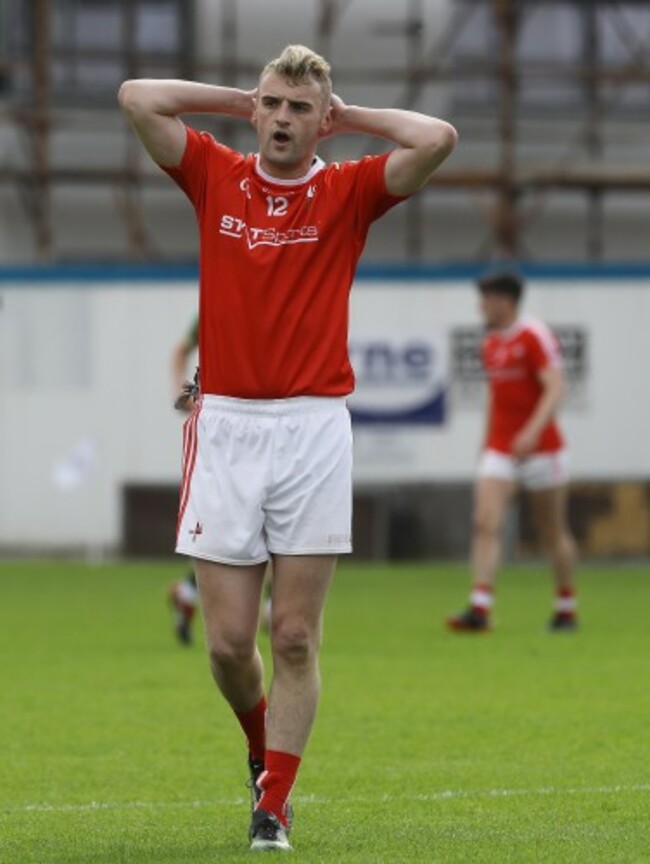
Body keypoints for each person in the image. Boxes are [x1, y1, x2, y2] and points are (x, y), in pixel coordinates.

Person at [119, 44, 457, 851]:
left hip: (312, 428)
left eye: (299, 109)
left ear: (322, 123)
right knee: (233, 644)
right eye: (272, 104)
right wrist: (237, 101)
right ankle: (257, 750)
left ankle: (274, 805)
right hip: (227, 423)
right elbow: (138, 96)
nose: (280, 118)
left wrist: (351, 114)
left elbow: (437, 136)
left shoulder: (345, 191)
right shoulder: (214, 174)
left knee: (295, 635)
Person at [446, 270, 578, 634]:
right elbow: (496, 398)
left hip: (542, 449)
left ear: (505, 301)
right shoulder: (489, 343)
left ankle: (566, 605)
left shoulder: (533, 335)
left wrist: (531, 433)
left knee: (552, 530)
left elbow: (556, 387)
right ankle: (480, 607)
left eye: (486, 299)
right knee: (485, 522)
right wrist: (486, 443)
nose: (481, 306)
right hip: (501, 449)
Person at [167, 315, 200, 645]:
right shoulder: (220, 304)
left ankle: (187, 593)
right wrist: (184, 395)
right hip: (221, 433)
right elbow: (181, 350)